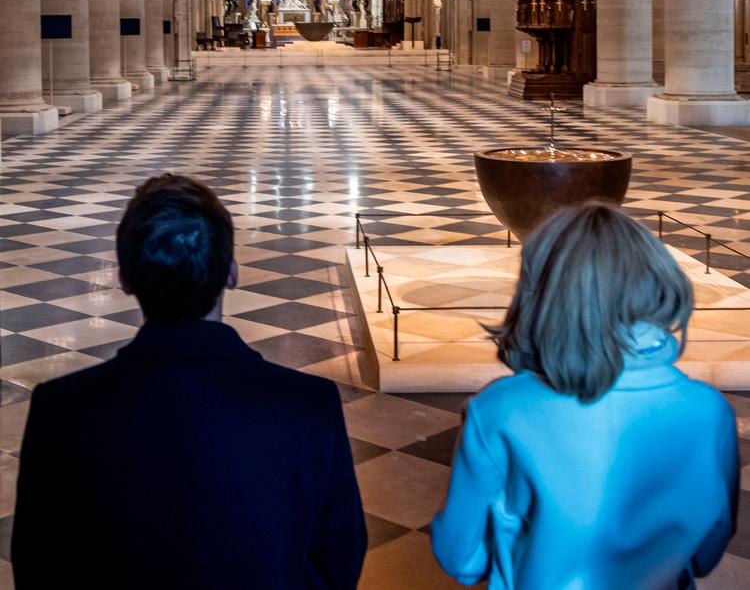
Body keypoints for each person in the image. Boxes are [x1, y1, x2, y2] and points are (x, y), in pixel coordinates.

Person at [12, 174, 367, 590]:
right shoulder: (308, 405)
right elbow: (337, 557)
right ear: (232, 273)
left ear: (124, 277)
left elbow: (39, 566)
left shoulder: (62, 409)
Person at [431, 202, 739, 590]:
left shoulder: (500, 409)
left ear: (540, 292)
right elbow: (706, 554)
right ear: (657, 280)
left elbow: (461, 558)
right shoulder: (710, 412)